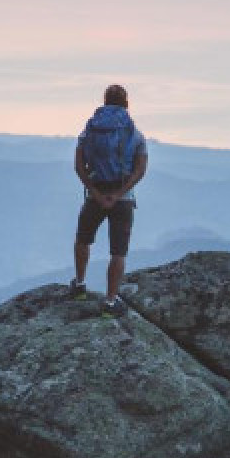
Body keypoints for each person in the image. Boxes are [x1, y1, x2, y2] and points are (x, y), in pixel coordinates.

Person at [69, 84, 148, 317]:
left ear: (104, 101)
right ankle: (110, 302)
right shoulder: (134, 133)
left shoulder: (89, 131)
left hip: (95, 195)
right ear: (126, 103)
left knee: (83, 240)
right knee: (118, 252)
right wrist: (119, 192)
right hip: (122, 198)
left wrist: (94, 192)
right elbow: (141, 169)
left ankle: (80, 285)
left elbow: (78, 165)